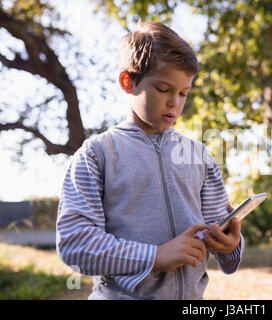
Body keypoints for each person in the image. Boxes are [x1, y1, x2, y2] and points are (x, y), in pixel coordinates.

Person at [56, 21, 244, 300]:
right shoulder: (96, 154)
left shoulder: (199, 156)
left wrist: (231, 245)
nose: (175, 103)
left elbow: (221, 240)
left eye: (183, 93)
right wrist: (154, 256)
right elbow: (76, 244)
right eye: (163, 89)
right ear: (127, 82)